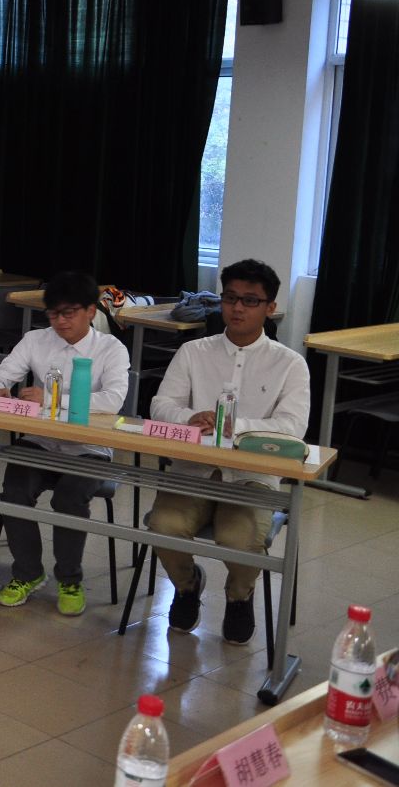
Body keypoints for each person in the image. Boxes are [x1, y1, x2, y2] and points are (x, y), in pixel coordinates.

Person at [147, 258, 309, 644]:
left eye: (250, 301)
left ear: (270, 307)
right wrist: (189, 417)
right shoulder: (193, 351)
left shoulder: (290, 364)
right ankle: (187, 586)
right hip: (193, 469)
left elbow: (293, 427)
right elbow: (160, 405)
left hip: (252, 478)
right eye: (230, 298)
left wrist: (241, 427)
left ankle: (239, 596)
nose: (237, 308)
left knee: (239, 539)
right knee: (163, 525)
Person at [0, 270, 129, 616]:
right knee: (14, 489)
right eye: (53, 314)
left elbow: (113, 401)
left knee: (69, 497)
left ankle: (70, 579)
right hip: (41, 441)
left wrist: (50, 399)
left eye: (69, 313)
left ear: (90, 311)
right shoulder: (36, 340)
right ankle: (28, 573)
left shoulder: (110, 349)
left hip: (89, 447)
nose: (60, 321)